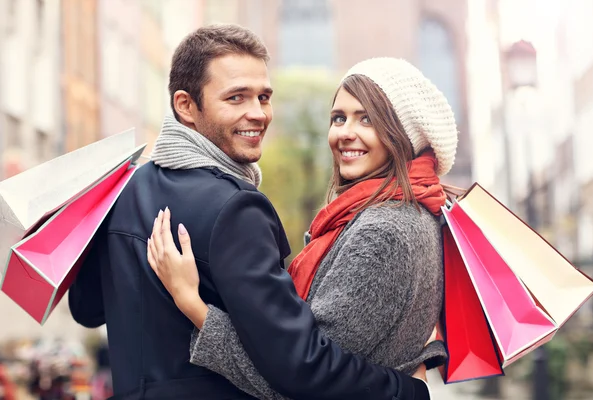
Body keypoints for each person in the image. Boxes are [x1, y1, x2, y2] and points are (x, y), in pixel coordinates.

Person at [69, 24, 437, 400]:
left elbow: (87, 309)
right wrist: (409, 391)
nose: (258, 113)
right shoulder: (236, 208)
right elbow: (298, 364)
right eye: (236, 98)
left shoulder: (123, 190)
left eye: (263, 97)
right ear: (186, 105)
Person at [148, 57, 459, 399]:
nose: (345, 133)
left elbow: (305, 377)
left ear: (404, 135)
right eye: (339, 118)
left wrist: (193, 304)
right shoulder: (405, 211)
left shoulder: (385, 230)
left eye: (367, 119)